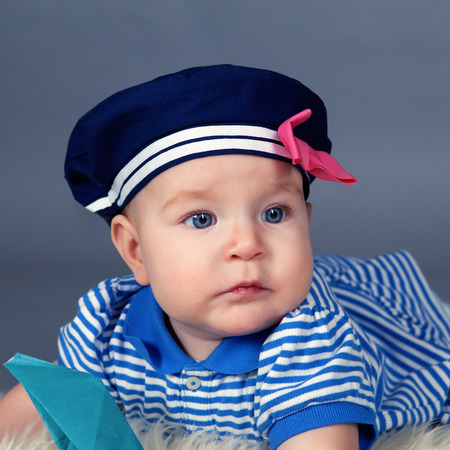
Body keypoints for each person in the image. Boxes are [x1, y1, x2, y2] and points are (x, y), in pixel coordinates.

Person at [1, 64, 450, 449]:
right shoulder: (107, 326)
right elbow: (44, 403)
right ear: (136, 251)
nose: (247, 244)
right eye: (200, 219)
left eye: (275, 213)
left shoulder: (311, 345)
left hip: (386, 338)